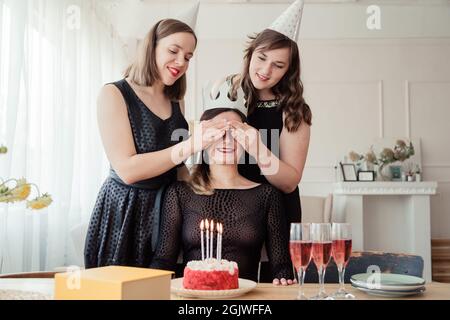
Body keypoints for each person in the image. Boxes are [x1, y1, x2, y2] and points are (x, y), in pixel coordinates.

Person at [84, 19, 229, 268]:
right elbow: (128, 170)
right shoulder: (114, 94)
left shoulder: (176, 100)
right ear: (152, 47)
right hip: (125, 212)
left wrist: (208, 192)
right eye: (173, 51)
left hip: (168, 212)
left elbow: (177, 166)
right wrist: (192, 144)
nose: (181, 62)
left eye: (188, 56)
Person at [150, 81, 295, 285]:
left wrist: (284, 280)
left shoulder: (267, 195)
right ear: (203, 140)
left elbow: (281, 265)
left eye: (235, 134)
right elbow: (163, 260)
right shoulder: (179, 193)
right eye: (217, 133)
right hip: (193, 297)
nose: (226, 141)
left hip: (246, 300)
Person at [229, 0, 312, 281]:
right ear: (251, 53)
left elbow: (289, 181)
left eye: (278, 65)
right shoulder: (227, 94)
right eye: (262, 58)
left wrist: (256, 146)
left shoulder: (294, 110)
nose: (265, 70)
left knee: (275, 284)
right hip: (234, 208)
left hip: (280, 212)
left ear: (288, 71)